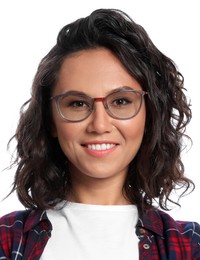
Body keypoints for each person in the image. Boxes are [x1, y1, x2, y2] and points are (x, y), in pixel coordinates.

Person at [0, 8, 199, 260]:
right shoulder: (8, 239)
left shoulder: (190, 246)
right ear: (50, 119)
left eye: (121, 101)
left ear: (150, 116)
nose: (99, 125)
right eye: (77, 103)